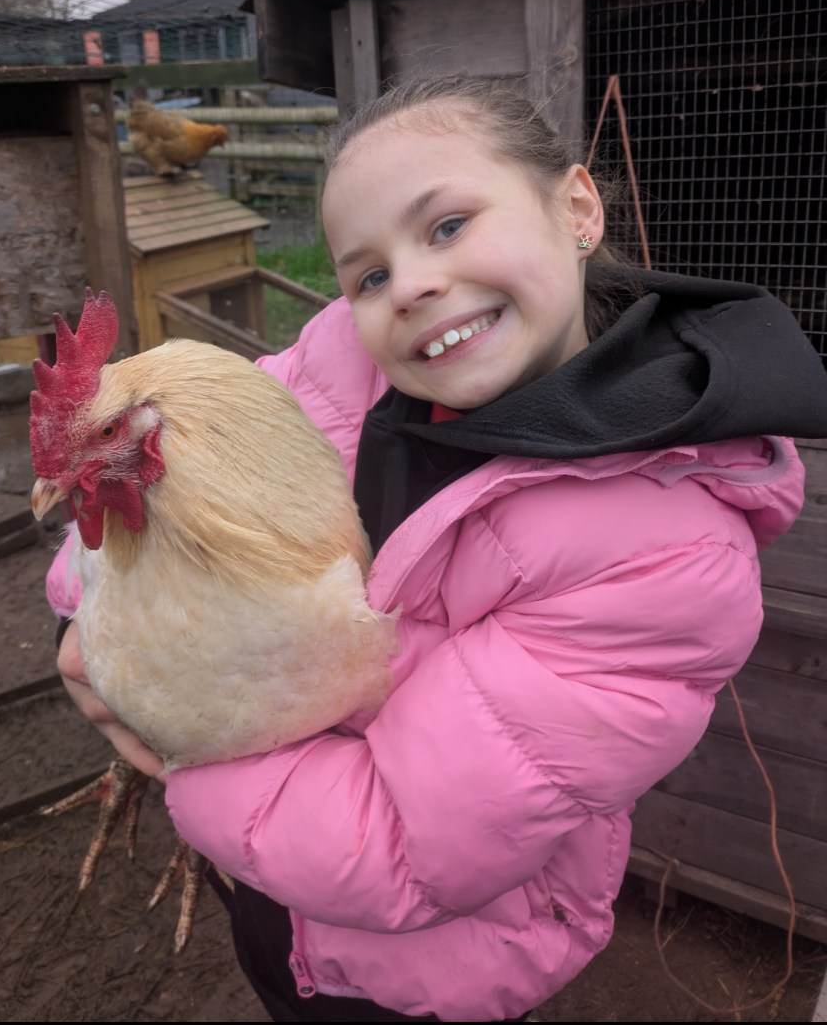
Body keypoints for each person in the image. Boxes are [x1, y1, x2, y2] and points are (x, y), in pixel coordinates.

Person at [51, 74, 827, 1023]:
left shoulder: (665, 553)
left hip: (421, 966)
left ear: (576, 206)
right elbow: (165, 494)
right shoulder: (338, 364)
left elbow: (400, 845)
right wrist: (94, 615)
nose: (411, 284)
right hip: (268, 891)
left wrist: (177, 756)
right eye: (368, 274)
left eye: (448, 225)